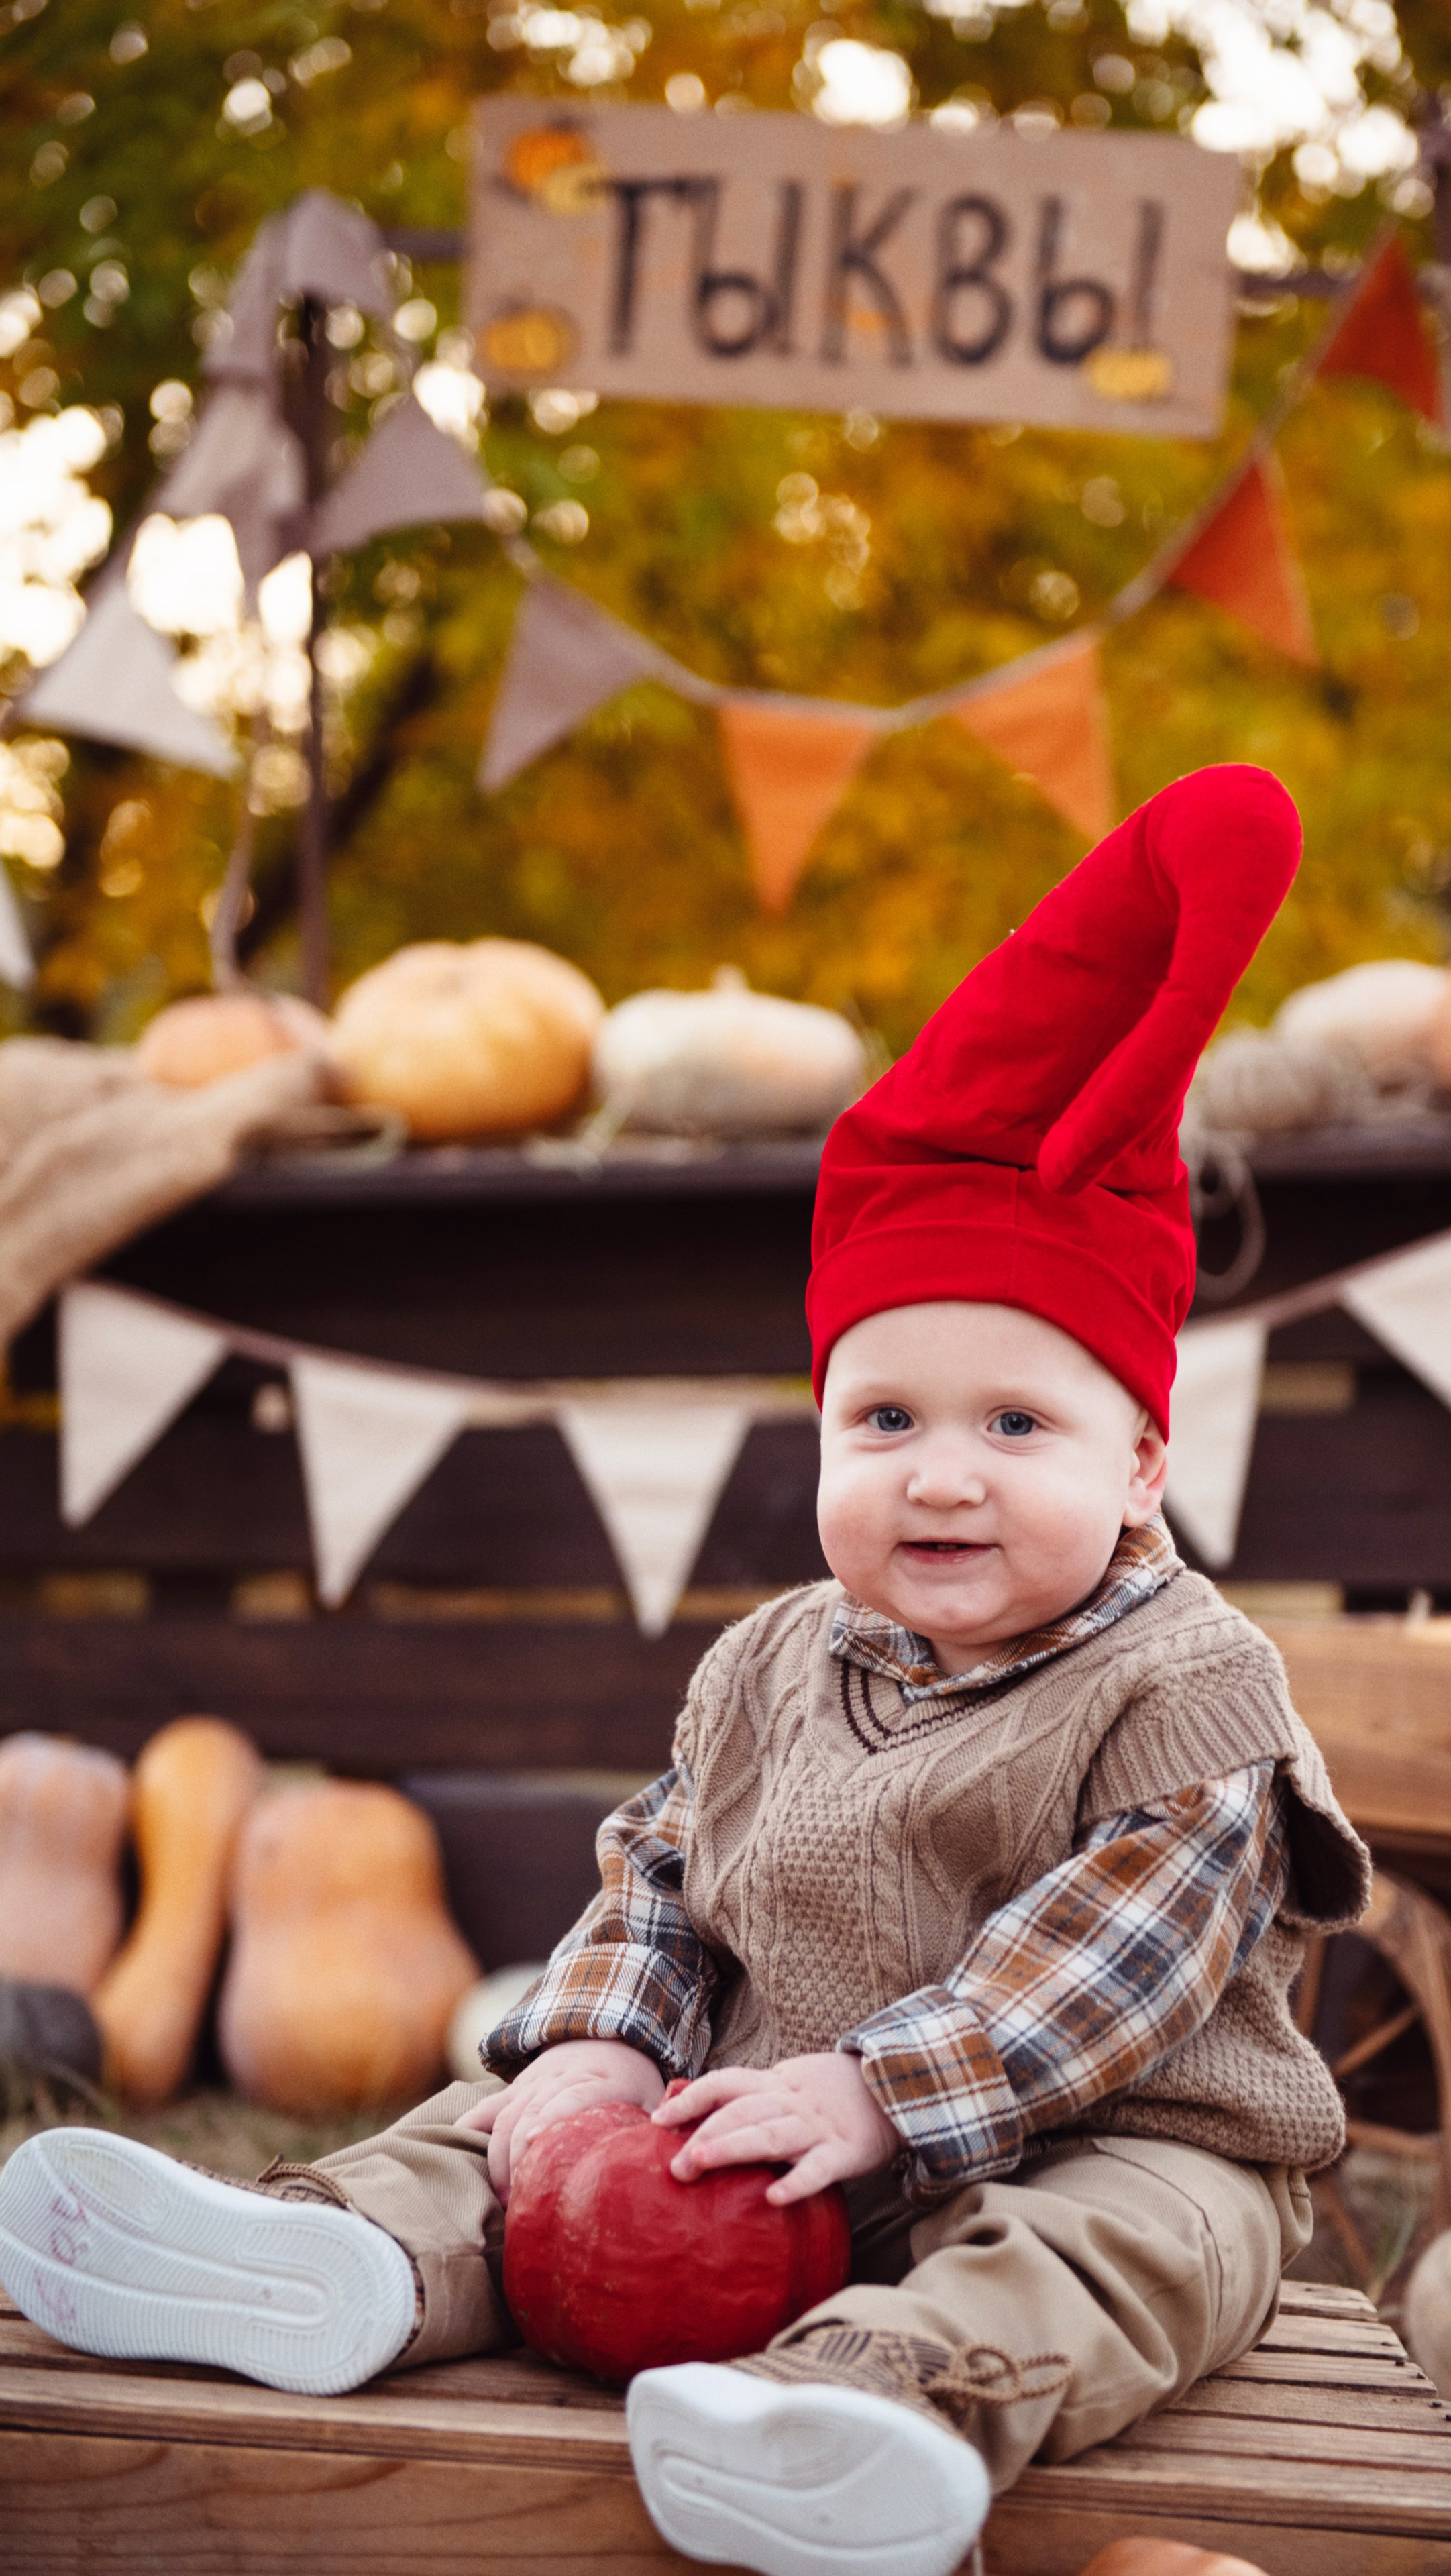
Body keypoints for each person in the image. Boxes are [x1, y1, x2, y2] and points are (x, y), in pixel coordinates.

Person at [0, 763, 1370, 2576]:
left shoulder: (1189, 1692)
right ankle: (325, 2258)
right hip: (767, 2135)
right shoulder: (770, 1663)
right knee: (501, 2132)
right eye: (881, 1415)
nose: (938, 1471)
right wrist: (587, 2057)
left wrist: (877, 2097)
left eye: (1017, 1424)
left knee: (1118, 2244)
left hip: (1087, 2140)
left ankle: (881, 2409)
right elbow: (662, 1873)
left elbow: (1099, 1978)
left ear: (1138, 1467)